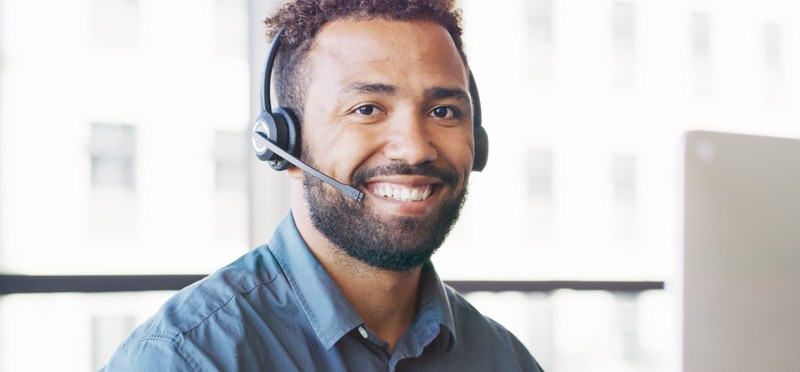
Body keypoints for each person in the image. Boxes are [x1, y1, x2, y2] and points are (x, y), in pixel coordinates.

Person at [103, 0, 544, 370]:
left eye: (444, 111)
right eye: (367, 108)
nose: (414, 149)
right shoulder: (186, 357)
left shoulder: (503, 359)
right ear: (283, 144)